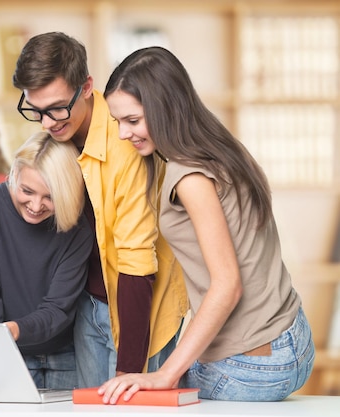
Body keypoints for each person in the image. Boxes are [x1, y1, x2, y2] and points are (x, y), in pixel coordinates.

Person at [100, 46, 315, 402]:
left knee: (137, 395)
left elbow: (228, 285)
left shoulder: (189, 176)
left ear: (166, 108)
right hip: (293, 337)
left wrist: (166, 375)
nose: (124, 134)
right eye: (117, 122)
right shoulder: (219, 146)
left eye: (133, 120)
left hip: (253, 362)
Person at [12, 32, 189, 388]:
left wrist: (129, 370)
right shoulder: (55, 135)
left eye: (58, 108)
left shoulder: (126, 145)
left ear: (87, 86)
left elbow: (137, 262)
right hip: (88, 305)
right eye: (36, 110)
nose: (48, 123)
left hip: (139, 308)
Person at [0, 132, 93, 389]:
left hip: (66, 353)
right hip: (9, 353)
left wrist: (14, 329)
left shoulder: (79, 226)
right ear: (14, 173)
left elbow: (59, 308)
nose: (36, 206)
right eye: (26, 191)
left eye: (50, 197)